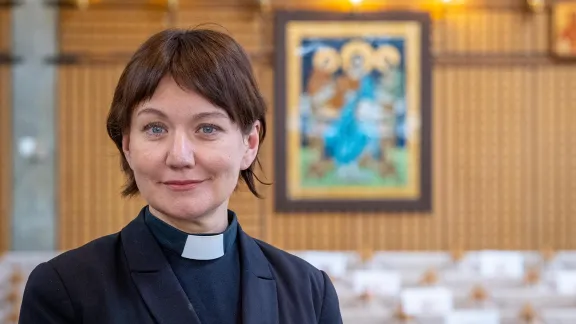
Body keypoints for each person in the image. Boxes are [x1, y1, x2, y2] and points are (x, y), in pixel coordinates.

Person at [19, 28, 342, 324]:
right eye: (155, 128)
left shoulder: (308, 290)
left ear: (250, 143)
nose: (179, 156)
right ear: (127, 144)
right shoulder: (66, 287)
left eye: (207, 128)